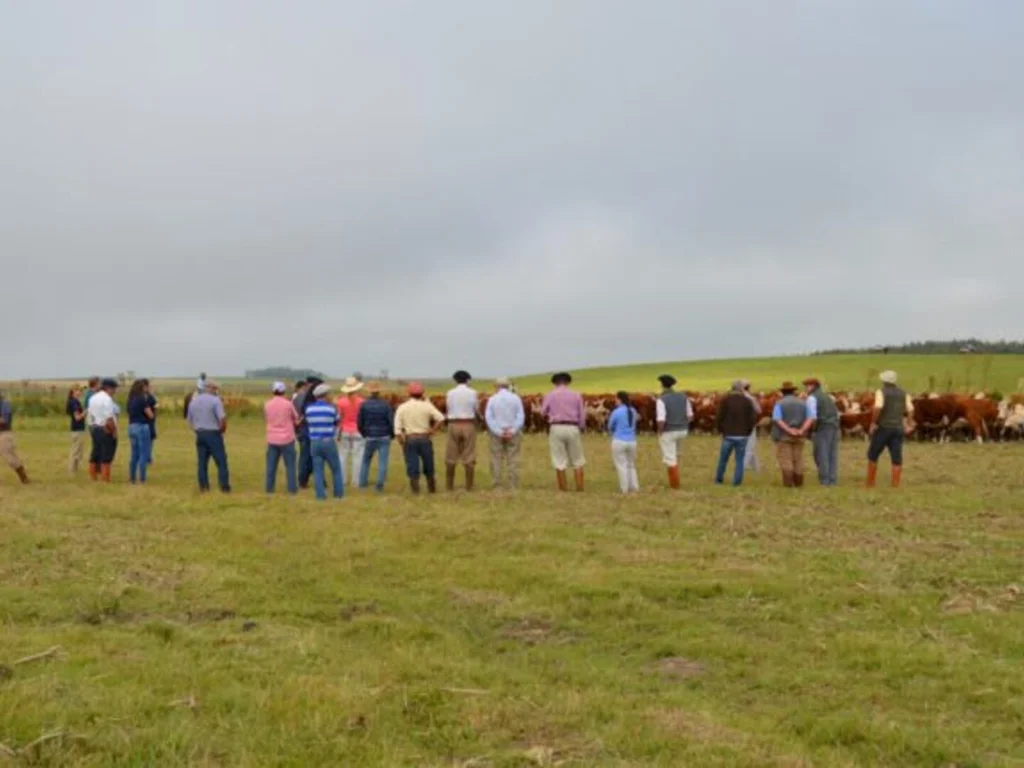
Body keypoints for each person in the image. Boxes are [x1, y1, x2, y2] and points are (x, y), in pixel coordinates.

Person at [394, 382, 445, 493]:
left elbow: (397, 429)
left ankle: (415, 490)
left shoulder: (402, 407)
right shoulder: (427, 406)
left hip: (410, 438)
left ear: (409, 393)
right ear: (422, 393)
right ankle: (432, 489)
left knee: (412, 464)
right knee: (428, 463)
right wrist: (432, 430)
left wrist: (402, 443)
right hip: (424, 438)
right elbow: (441, 418)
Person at [867, 370, 915, 488]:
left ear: (884, 381)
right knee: (896, 456)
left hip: (883, 428)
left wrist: (873, 423)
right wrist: (908, 423)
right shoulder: (904, 393)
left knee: (873, 454)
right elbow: (911, 409)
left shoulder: (881, 392)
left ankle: (870, 482)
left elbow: (878, 407)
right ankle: (895, 484)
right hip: (898, 428)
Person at [540, 372, 586, 491]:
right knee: (577, 459)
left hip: (556, 427)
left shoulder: (550, 395)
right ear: (568, 382)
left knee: (559, 459)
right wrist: (581, 427)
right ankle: (579, 487)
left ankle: (563, 488)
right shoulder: (576, 395)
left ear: (555, 383)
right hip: (572, 427)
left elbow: (542, 412)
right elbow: (582, 414)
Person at [186, 380, 230, 493]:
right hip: (213, 433)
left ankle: (204, 487)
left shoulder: (194, 402)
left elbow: (189, 420)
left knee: (202, 462)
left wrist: (197, 430)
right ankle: (224, 486)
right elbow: (222, 418)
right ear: (211, 389)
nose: (216, 391)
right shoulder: (215, 401)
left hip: (200, 434)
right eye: (215, 389)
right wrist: (222, 430)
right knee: (221, 461)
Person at [715, 380, 760, 486]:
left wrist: (721, 430)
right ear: (742, 389)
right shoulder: (747, 401)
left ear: (732, 388)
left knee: (723, 459)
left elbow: (719, 417)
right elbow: (752, 419)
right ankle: (736, 482)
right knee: (739, 460)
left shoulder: (725, 400)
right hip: (742, 435)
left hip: (728, 435)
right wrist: (747, 431)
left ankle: (719, 480)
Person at [484, 377, 525, 490]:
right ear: (508, 386)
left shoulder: (492, 399)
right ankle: (513, 484)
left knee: (496, 458)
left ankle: (497, 485)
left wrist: (498, 431)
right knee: (513, 458)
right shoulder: (516, 398)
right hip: (513, 432)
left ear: (497, 386)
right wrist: (512, 430)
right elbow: (520, 416)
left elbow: (489, 417)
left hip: (496, 433)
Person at [306, 383, 344, 500]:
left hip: (314, 442)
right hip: (328, 441)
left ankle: (320, 495)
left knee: (318, 470)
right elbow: (338, 423)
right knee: (336, 469)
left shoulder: (309, 409)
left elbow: (309, 423)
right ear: (326, 395)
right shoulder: (331, 409)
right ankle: (338, 494)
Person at [655, 374, 693, 489]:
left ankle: (675, 485)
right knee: (675, 455)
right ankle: (674, 480)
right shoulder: (683, 397)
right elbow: (690, 416)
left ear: (662, 385)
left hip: (669, 431)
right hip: (683, 430)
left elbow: (661, 419)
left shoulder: (661, 400)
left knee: (670, 458)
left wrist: (660, 431)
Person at [357, 381, 395, 491]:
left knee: (366, 461)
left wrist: (364, 433)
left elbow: (360, 422)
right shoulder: (385, 405)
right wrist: (391, 434)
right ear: (379, 392)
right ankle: (379, 484)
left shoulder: (364, 405)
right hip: (384, 436)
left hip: (369, 436)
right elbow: (390, 421)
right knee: (382, 461)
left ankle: (362, 484)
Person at [771, 381, 810, 488]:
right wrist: (802, 430)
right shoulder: (803, 403)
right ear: (793, 391)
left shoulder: (779, 403)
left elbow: (777, 420)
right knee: (798, 458)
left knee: (786, 459)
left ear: (783, 392)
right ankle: (799, 482)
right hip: (800, 435)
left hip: (784, 435)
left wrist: (789, 430)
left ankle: (788, 483)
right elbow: (810, 418)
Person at [445, 370, 479, 491]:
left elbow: (448, 407)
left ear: (455, 380)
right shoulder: (473, 392)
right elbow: (476, 408)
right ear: (467, 380)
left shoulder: (450, 393)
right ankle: (469, 486)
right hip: (468, 424)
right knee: (469, 454)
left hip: (453, 424)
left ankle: (449, 486)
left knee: (451, 454)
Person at [264, 381, 300, 494]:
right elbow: (296, 418)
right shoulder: (288, 404)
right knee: (290, 465)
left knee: (271, 465)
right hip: (287, 438)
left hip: (272, 438)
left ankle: (269, 489)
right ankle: (292, 489)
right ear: (283, 391)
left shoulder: (267, 404)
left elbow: (267, 418)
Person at [804, 377, 840, 486]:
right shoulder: (827, 396)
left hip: (822, 427)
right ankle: (832, 479)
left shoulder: (812, 398)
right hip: (833, 426)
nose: (806, 388)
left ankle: (824, 480)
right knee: (832, 454)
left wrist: (813, 430)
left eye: (807, 386)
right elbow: (836, 413)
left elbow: (813, 417)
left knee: (821, 454)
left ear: (813, 386)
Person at [87, 378, 120, 482]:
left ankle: (93, 478)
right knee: (107, 457)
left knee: (95, 454)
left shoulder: (93, 398)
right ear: (108, 388)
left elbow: (90, 414)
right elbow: (109, 418)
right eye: (114, 389)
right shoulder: (107, 399)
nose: (115, 391)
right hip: (106, 429)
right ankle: (106, 479)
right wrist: (114, 431)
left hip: (95, 427)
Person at [607, 391, 640, 494]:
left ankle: (624, 488)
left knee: (621, 465)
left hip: (619, 440)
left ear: (620, 399)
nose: (615, 401)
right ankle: (634, 487)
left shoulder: (617, 412)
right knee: (631, 465)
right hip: (632, 441)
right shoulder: (633, 411)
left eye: (616, 399)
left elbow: (610, 426)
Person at [335, 377, 365, 489]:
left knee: (342, 456)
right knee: (357, 456)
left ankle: (343, 480)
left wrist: (337, 432)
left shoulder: (340, 402)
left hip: (344, 430)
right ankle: (356, 481)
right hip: (358, 430)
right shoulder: (362, 402)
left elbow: (339, 418)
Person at [125, 379, 155, 484]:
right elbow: (150, 414)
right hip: (142, 426)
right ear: (141, 388)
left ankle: (132, 478)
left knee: (134, 454)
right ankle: (142, 478)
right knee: (143, 453)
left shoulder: (130, 399)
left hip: (132, 426)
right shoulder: (142, 399)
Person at [296, 376, 322, 489]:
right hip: (311, 432)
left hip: (303, 431)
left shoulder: (299, 398)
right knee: (313, 457)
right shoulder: (314, 401)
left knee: (304, 457)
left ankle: (303, 480)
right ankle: (309, 479)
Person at [0, 390, 30, 485]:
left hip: (4, 433)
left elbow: (4, 420)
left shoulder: (5, 405)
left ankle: (23, 476)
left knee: (9, 458)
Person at [742, 381, 762, 474]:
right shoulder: (751, 399)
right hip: (749, 424)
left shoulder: (736, 398)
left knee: (744, 446)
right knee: (750, 445)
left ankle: (753, 467)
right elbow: (759, 410)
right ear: (748, 388)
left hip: (738, 425)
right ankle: (746, 466)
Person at [66, 386, 87, 473]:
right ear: (73, 391)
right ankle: (72, 470)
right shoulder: (74, 403)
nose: (81, 392)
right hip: (78, 429)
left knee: (77, 450)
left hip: (76, 429)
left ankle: (75, 470)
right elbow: (77, 417)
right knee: (76, 450)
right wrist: (85, 412)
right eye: (78, 390)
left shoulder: (73, 401)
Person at [143, 378, 158, 464]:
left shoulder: (136, 396)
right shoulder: (150, 397)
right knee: (149, 441)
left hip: (141, 421)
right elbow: (155, 407)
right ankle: (148, 457)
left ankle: (145, 457)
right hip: (149, 422)